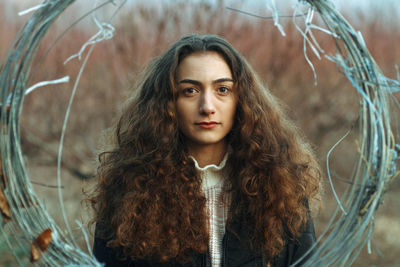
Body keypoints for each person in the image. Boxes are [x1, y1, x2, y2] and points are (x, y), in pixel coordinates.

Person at [90, 34, 321, 267]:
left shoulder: (282, 186)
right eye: (190, 91)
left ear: (241, 99)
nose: (207, 107)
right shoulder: (128, 190)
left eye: (222, 89)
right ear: (167, 103)